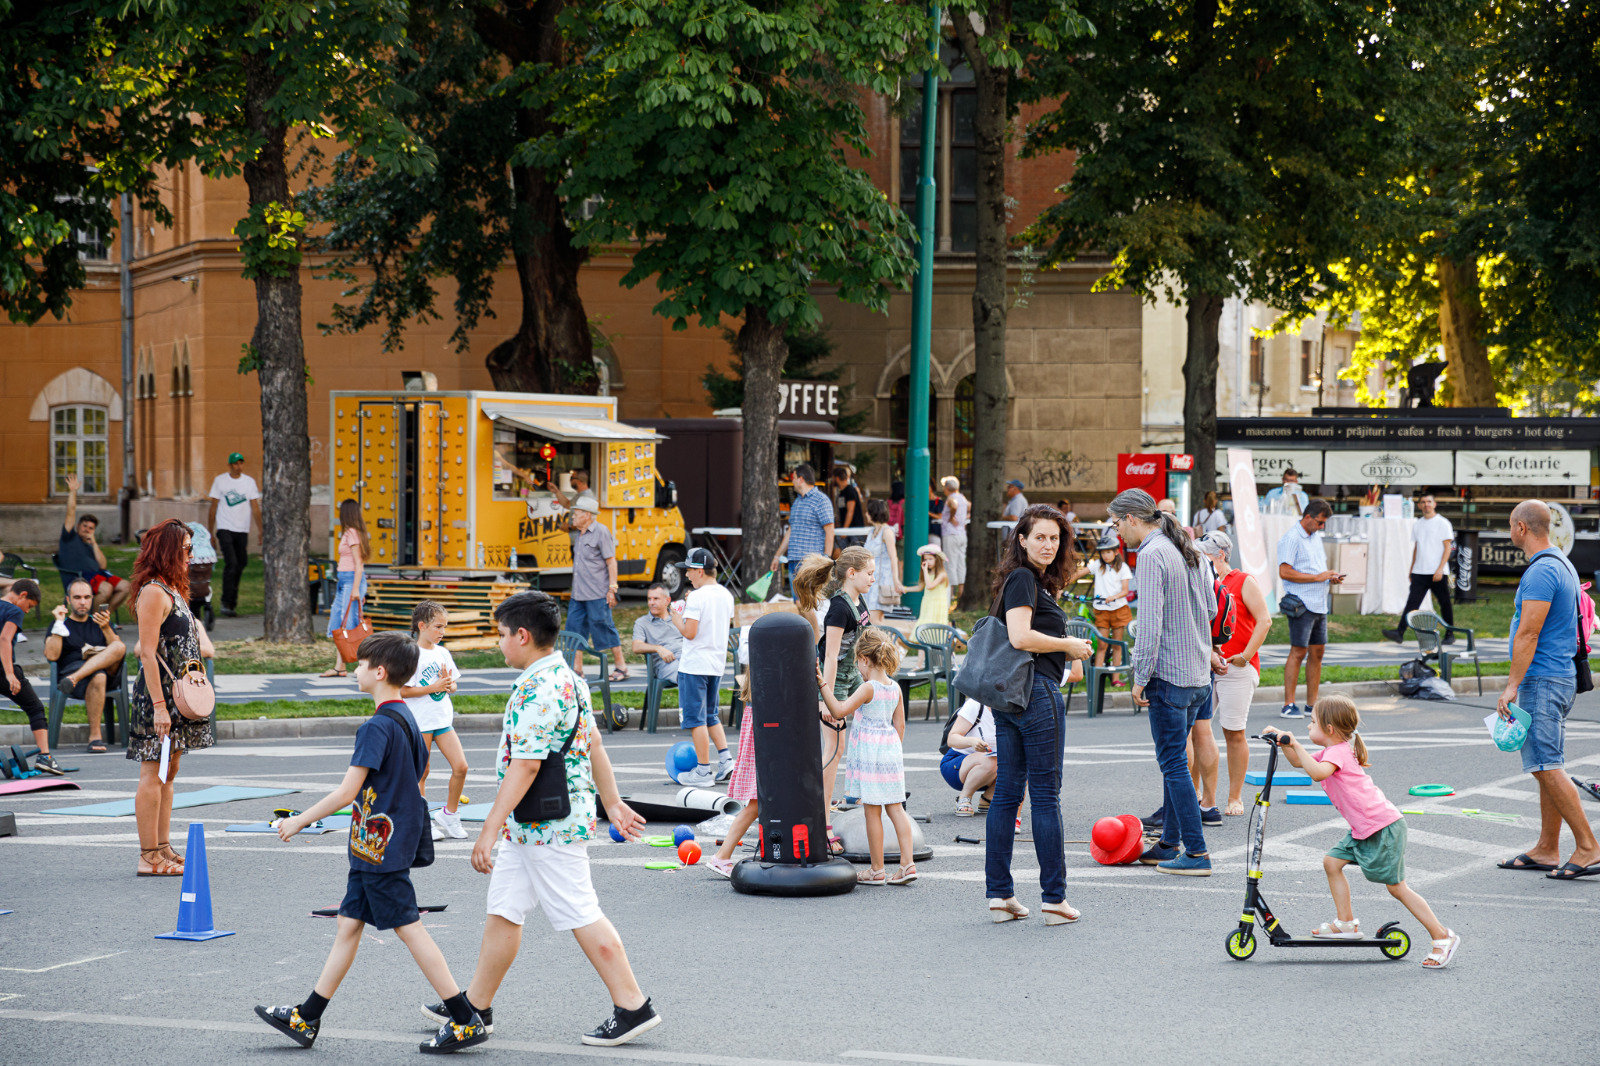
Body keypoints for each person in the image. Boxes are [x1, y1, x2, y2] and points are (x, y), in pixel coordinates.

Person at [431, 590, 659, 1048]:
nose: (499, 644)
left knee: (580, 911)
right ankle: (477, 1006)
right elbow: (592, 743)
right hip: (538, 823)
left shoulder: (538, 688)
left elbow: (527, 764)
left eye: (500, 635)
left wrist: (490, 827)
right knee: (504, 909)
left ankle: (633, 1005)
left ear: (522, 635)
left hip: (546, 825)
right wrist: (610, 801)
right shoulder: (568, 677)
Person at [255, 631, 489, 1052]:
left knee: (411, 930)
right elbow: (418, 779)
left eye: (361, 664)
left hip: (379, 849)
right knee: (348, 925)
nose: (356, 670)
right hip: (378, 848)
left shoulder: (376, 727)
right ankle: (306, 1018)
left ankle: (464, 1018)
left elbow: (347, 793)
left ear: (379, 672)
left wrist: (298, 821)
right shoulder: (409, 721)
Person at [1264, 697, 1461, 969]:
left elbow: (1318, 773)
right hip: (1365, 828)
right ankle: (1345, 922)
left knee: (1397, 888)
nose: (1308, 728)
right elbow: (1301, 764)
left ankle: (1442, 936)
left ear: (1330, 729)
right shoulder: (1335, 749)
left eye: (1312, 723)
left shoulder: (1338, 753)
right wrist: (1283, 743)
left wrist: (1294, 742)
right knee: (1332, 862)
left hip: (1383, 827)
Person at [986, 504, 1093, 923]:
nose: (1049, 545)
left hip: (1010, 698)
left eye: (1055, 538)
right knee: (1045, 796)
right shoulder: (1022, 578)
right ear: (1021, 539)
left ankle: (1000, 896)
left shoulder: (1030, 581)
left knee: (1008, 796)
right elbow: (1020, 636)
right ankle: (1054, 899)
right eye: (1041, 537)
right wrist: (1069, 645)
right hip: (1035, 694)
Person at [1109, 488, 1217, 877]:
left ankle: (1197, 852)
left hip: (1168, 675)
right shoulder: (1187, 547)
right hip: (1197, 673)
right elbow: (1211, 608)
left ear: (1132, 519)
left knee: (1172, 763)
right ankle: (1170, 843)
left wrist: (1139, 676)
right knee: (1177, 762)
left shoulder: (1151, 554)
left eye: (1117, 522)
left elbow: (1150, 624)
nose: (1117, 531)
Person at [1494, 500, 1598, 879]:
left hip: (1543, 677)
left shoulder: (1540, 572)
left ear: (1521, 528)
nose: (1510, 531)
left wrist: (1511, 685)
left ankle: (1588, 847)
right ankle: (1547, 848)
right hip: (1560, 675)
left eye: (1510, 526)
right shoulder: (1563, 564)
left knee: (1547, 765)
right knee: (1544, 763)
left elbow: (1530, 631)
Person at [129, 519, 213, 877]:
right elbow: (147, 654)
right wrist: (160, 708)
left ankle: (162, 846)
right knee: (153, 771)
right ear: (167, 551)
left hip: (179, 697)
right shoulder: (153, 592)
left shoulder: (172, 589)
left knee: (170, 770)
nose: (191, 556)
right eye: (186, 549)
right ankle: (148, 856)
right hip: (159, 697)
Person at [817, 627, 918, 885]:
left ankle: (877, 870)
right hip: (890, 754)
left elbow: (839, 710)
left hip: (871, 756)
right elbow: (901, 726)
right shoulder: (894, 688)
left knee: (872, 813)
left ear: (863, 658)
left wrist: (823, 686)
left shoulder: (868, 688)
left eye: (858, 664)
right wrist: (892, 751)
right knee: (896, 810)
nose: (858, 670)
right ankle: (907, 864)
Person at [1195, 532, 1271, 816]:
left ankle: (1234, 797)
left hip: (1236, 666)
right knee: (1197, 731)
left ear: (1221, 555)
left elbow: (1264, 620)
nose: (1200, 559)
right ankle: (1198, 794)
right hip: (1205, 664)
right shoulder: (1202, 580)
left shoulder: (1243, 581)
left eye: (1205, 554)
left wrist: (1246, 656)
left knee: (1233, 731)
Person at [806, 547, 874, 817]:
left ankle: (858, 793)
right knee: (834, 749)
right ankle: (819, 809)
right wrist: (827, 700)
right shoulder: (839, 608)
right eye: (869, 574)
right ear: (852, 573)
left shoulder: (858, 601)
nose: (872, 579)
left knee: (871, 726)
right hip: (836, 682)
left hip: (853, 676)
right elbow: (830, 658)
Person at [401, 600, 469, 842]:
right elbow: (403, 691)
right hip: (420, 722)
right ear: (422, 626)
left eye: (445, 627)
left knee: (461, 767)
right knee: (422, 772)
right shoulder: (411, 654)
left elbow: (453, 683)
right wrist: (433, 687)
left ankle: (449, 814)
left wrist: (449, 685)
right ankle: (422, 821)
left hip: (442, 720)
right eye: (438, 627)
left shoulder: (443, 653)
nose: (442, 632)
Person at [668, 546, 735, 786]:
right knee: (710, 715)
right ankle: (726, 761)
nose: (686, 575)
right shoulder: (726, 595)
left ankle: (703, 771)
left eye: (688, 570)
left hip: (694, 665)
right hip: (715, 663)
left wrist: (675, 616)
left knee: (696, 719)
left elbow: (690, 632)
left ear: (699, 571)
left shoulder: (696, 597)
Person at [1277, 498, 1343, 719]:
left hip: (1318, 602)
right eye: (1320, 522)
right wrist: (1318, 577)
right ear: (1307, 517)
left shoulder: (1315, 537)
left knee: (1318, 652)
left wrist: (1329, 577)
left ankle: (1311, 704)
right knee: (1298, 651)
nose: (1322, 527)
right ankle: (1288, 703)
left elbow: (1317, 569)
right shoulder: (1291, 538)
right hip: (1301, 602)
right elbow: (1285, 572)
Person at [45, 578, 127, 754]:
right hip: (76, 677)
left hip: (91, 677)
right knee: (98, 675)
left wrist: (106, 628)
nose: (82, 602)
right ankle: (95, 737)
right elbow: (51, 655)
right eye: (77, 597)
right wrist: (58, 624)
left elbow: (119, 651)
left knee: (118, 646)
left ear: (92, 599)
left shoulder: (100, 621)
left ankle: (75, 677)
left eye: (87, 597)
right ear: (68, 600)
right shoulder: (60, 624)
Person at [0, 579, 62, 774]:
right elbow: (5, 639)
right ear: (23, 595)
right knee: (35, 708)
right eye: (30, 606)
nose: (27, 611)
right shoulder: (14, 611)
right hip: (3, 669)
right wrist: (10, 674)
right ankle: (45, 757)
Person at [565, 495, 629, 683]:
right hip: (578, 594)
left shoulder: (601, 532)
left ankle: (621, 666)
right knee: (574, 629)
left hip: (597, 593)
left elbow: (611, 562)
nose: (573, 516)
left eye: (576, 513)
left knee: (604, 628)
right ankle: (577, 669)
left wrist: (612, 589)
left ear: (587, 515)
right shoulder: (579, 534)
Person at [1384, 491, 1455, 644]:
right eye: (1423, 502)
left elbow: (1447, 547)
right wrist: (1412, 568)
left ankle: (1450, 633)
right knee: (1412, 603)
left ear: (1434, 504)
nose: (1426, 505)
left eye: (1429, 502)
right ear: (1419, 505)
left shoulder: (1443, 523)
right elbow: (1417, 547)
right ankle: (1399, 632)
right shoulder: (1418, 524)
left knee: (1444, 603)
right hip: (1420, 572)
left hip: (1437, 572)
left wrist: (1440, 569)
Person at [707, 672, 759, 878]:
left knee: (762, 806)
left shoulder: (757, 681)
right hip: (764, 751)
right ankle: (721, 856)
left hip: (760, 748)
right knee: (757, 806)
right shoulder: (765, 693)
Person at [59, 474, 131, 613]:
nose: (87, 530)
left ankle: (104, 617)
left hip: (98, 575)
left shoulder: (90, 542)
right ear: (78, 526)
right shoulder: (69, 537)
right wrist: (73, 491)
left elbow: (103, 566)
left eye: (91, 528)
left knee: (126, 586)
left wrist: (94, 544)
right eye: (84, 526)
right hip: (79, 577)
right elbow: (71, 512)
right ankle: (92, 619)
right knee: (106, 589)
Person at [207, 451, 261, 618]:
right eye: (235, 463)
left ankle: (232, 601)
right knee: (232, 563)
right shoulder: (220, 481)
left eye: (241, 463)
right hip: (225, 528)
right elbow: (214, 507)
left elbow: (255, 507)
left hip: (242, 529)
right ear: (230, 465)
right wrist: (211, 531)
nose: (238, 466)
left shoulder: (249, 482)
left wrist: (261, 530)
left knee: (241, 563)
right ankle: (226, 602)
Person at [1074, 534, 1131, 676]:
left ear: (1116, 552)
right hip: (1102, 610)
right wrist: (1064, 582)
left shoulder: (1123, 567)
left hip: (1119, 609)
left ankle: (1115, 678)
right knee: (1102, 644)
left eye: (1108, 552)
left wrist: (1113, 597)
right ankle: (1097, 675)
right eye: (1103, 552)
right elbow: (1081, 573)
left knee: (1117, 644)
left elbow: (1125, 591)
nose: (1105, 555)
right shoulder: (1098, 565)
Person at [325, 498, 369, 678]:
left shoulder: (352, 533)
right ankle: (340, 667)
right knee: (338, 623)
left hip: (352, 580)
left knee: (351, 625)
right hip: (344, 581)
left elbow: (359, 564)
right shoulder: (349, 533)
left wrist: (357, 589)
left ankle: (364, 666)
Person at [771, 464, 834, 583]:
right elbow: (790, 531)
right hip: (794, 560)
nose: (792, 481)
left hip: (811, 563)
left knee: (811, 600)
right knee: (797, 601)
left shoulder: (821, 500)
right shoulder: (797, 502)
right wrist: (777, 556)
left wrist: (826, 559)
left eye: (793, 478)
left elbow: (830, 531)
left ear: (801, 479)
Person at [941, 698, 997, 817]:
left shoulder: (1013, 708)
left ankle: (988, 799)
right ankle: (964, 797)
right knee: (991, 761)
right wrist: (971, 742)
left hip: (994, 766)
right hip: (957, 764)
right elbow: (951, 739)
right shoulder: (976, 705)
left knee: (1024, 762)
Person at [630, 583, 682, 684]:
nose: (651, 603)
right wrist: (658, 648)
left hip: (686, 657)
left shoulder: (678, 617)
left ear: (667, 600)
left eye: (656, 599)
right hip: (666, 664)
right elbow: (636, 646)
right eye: (649, 599)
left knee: (705, 670)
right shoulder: (642, 622)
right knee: (687, 675)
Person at [863, 499, 902, 623]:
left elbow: (893, 557)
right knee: (874, 617)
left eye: (868, 512)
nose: (866, 514)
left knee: (874, 618)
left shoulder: (887, 532)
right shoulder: (871, 532)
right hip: (871, 580)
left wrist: (896, 581)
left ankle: (884, 642)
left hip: (882, 580)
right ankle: (883, 642)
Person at [902, 544, 950, 629]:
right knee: (925, 621)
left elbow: (930, 586)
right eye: (925, 559)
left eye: (930, 559)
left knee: (934, 624)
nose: (927, 562)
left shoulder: (942, 574)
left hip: (937, 604)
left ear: (937, 559)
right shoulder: (928, 574)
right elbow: (920, 587)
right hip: (927, 602)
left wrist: (924, 571)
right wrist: (905, 589)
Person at [939, 476, 970, 599]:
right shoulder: (963, 498)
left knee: (950, 563)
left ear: (947, 487)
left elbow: (953, 505)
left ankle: (951, 593)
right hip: (961, 534)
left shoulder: (951, 498)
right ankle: (961, 592)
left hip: (950, 534)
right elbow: (969, 506)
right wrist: (964, 518)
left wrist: (952, 517)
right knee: (961, 562)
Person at [832, 464, 863, 533]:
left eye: (833, 478)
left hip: (854, 531)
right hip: (846, 530)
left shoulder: (850, 491)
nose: (832, 480)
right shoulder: (841, 493)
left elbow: (850, 511)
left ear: (837, 478)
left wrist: (844, 530)